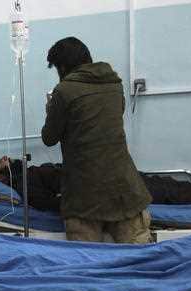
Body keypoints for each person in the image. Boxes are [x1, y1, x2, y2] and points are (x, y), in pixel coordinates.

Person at [42, 37, 152, 243]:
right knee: (140, 259)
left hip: (85, 196)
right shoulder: (114, 84)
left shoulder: (64, 91)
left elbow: (49, 138)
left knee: (89, 264)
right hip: (125, 190)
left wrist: (51, 109)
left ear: (63, 66)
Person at [0, 156, 191, 212]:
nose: (4, 157)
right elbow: (53, 203)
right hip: (98, 189)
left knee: (165, 183)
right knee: (166, 193)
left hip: (99, 175)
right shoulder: (24, 187)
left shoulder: (28, 172)